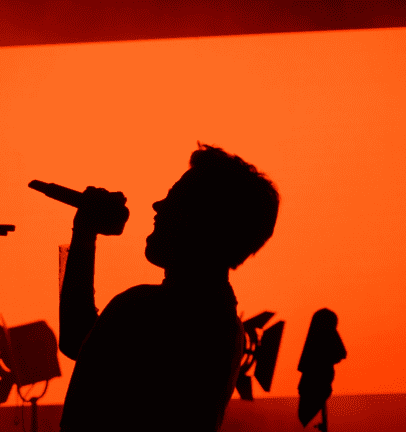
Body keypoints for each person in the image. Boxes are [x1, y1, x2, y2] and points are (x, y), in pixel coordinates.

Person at [58, 143, 280, 431]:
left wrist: (85, 230)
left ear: (201, 223)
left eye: (174, 201)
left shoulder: (144, 308)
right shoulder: (226, 325)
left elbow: (76, 337)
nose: (157, 206)